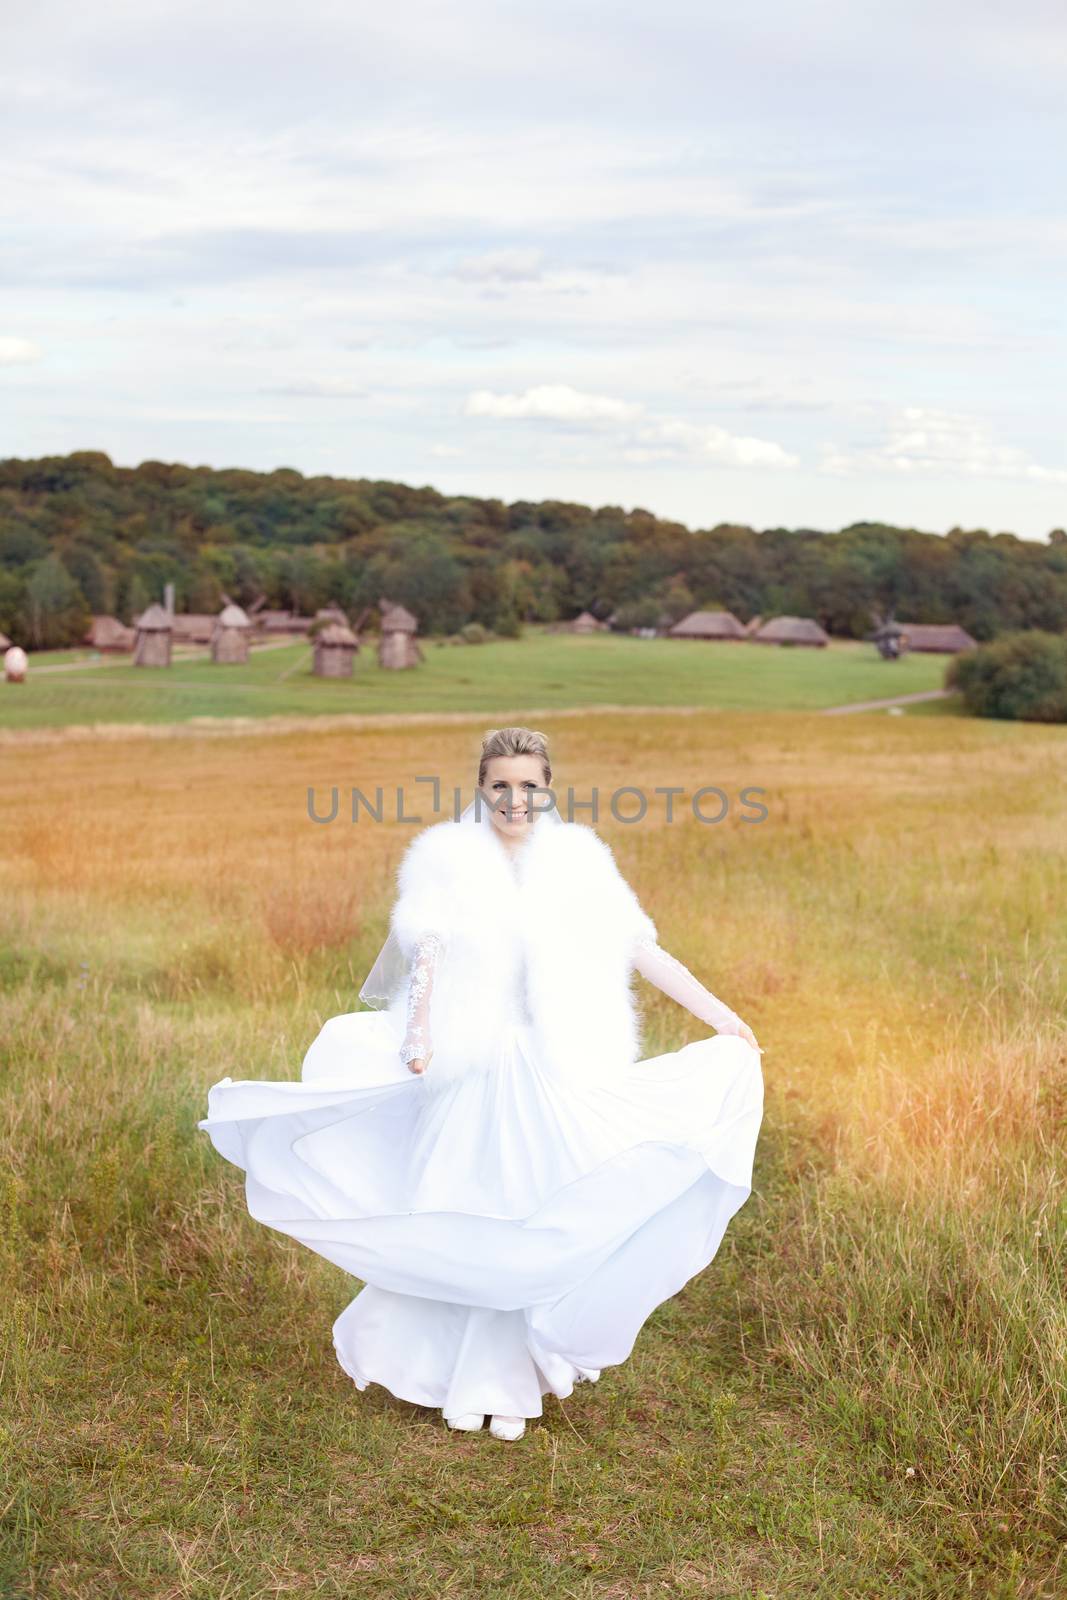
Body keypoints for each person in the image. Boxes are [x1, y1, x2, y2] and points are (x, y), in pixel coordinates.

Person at [198, 727, 763, 1443]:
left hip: (553, 1064)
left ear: (548, 787)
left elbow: (643, 949)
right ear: (482, 787)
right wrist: (419, 1032)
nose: (515, 799)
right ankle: (458, 1381)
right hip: (471, 1062)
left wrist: (722, 1017)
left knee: (529, 1207)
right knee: (462, 1206)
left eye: (528, 784)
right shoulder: (448, 858)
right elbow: (425, 950)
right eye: (501, 784)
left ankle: (509, 1380)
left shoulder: (580, 862)